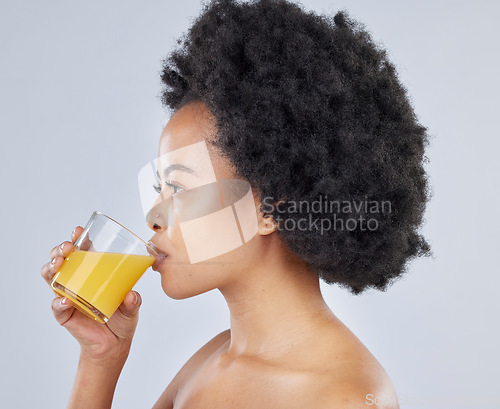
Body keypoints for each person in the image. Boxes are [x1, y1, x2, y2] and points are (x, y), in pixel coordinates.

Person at [41, 0, 431, 407]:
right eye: (159, 190)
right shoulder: (210, 361)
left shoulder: (339, 398)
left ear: (269, 208)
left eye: (179, 188)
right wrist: (100, 357)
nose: (154, 215)